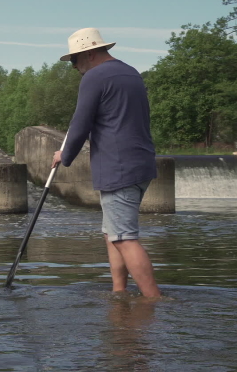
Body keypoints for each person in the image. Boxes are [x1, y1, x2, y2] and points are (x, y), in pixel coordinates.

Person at [51, 27, 161, 298]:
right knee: (112, 234)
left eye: (74, 60)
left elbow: (80, 123)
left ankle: (155, 301)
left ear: (88, 54)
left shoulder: (95, 77)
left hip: (117, 166)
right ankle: (119, 293)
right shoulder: (131, 72)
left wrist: (64, 155)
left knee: (123, 237)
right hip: (141, 162)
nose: (74, 67)